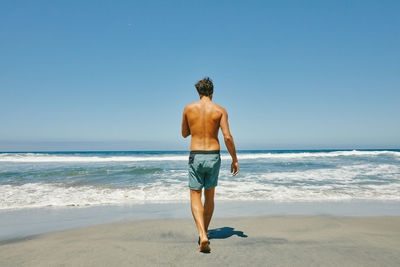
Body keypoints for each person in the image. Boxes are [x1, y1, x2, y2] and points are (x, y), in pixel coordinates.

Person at [181, 77, 239, 253]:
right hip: (213, 155)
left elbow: (184, 133)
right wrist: (234, 159)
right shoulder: (220, 110)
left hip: (195, 155)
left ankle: (202, 234)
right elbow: (227, 137)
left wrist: (196, 127)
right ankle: (204, 232)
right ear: (212, 92)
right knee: (210, 196)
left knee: (195, 195)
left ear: (198, 93)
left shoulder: (189, 109)